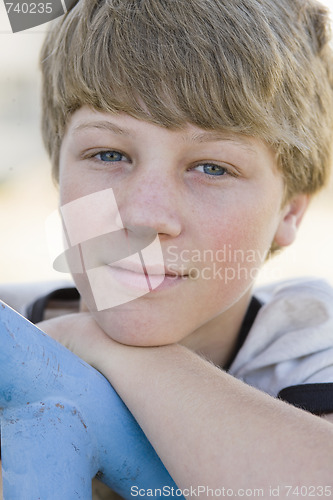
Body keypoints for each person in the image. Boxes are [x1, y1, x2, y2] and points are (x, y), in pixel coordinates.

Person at [4, 0, 333, 498]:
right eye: (108, 154)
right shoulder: (12, 320)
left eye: (213, 167)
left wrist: (109, 349)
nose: (144, 215)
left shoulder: (307, 346)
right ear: (58, 174)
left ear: (289, 213)